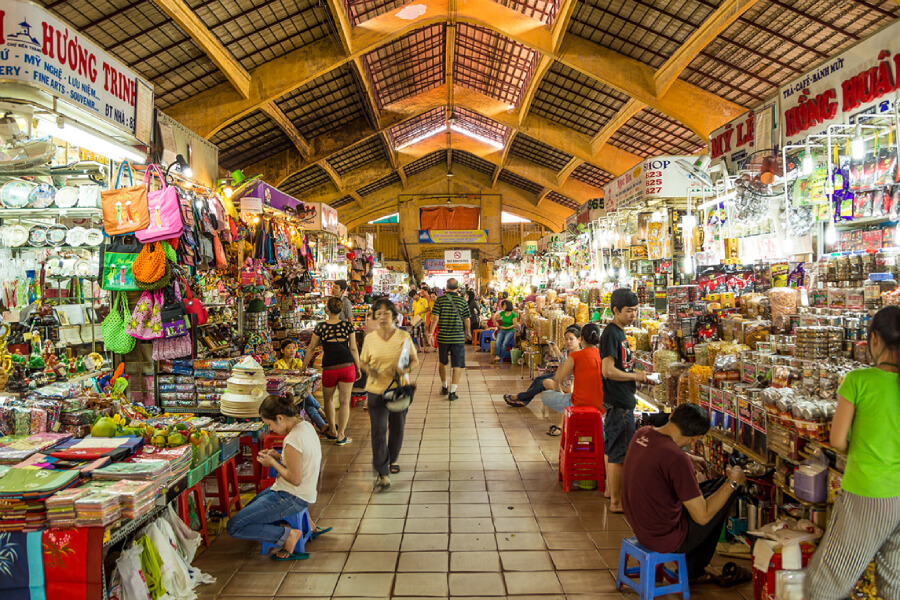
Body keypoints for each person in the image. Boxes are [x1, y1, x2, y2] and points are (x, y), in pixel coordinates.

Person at [805, 306, 900, 600]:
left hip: (869, 492)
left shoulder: (859, 381)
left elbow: (838, 440)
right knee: (894, 584)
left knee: (824, 583)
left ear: (873, 339)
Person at [623, 404, 746, 581]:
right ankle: (693, 572)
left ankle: (692, 569)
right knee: (721, 500)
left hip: (641, 525)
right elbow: (702, 517)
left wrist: (689, 457)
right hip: (665, 537)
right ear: (696, 438)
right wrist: (733, 483)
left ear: (673, 415)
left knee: (716, 486)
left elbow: (659, 453)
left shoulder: (643, 433)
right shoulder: (676, 459)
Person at [226, 394, 328, 560]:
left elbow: (295, 479)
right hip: (297, 492)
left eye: (270, 424)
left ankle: (288, 535)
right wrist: (278, 456)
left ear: (280, 418)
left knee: (234, 526)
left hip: (291, 496)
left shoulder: (292, 440)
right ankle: (298, 527)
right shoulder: (306, 426)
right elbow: (301, 462)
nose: (270, 429)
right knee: (251, 507)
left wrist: (272, 463)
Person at [360, 298, 419, 490]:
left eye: (386, 313)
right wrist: (370, 371)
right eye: (378, 314)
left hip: (398, 390)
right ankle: (382, 472)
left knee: (397, 428)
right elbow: (363, 362)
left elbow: (414, 360)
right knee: (378, 430)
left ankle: (392, 459)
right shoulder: (370, 339)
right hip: (376, 390)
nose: (382, 317)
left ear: (394, 316)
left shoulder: (403, 337)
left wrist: (403, 369)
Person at [600, 288, 649, 513]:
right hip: (619, 400)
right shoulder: (611, 334)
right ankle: (617, 502)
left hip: (620, 398)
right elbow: (608, 370)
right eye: (629, 311)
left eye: (635, 311)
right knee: (620, 451)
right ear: (616, 310)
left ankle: (611, 491)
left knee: (614, 448)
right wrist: (636, 376)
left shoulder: (619, 333)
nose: (633, 315)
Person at [300, 297, 361, 446]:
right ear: (341, 310)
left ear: (327, 310)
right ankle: (341, 435)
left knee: (328, 400)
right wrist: (358, 367)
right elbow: (353, 348)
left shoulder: (321, 327)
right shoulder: (347, 326)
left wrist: (303, 367)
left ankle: (332, 431)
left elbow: (311, 348)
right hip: (347, 366)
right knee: (345, 401)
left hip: (329, 368)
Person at [541, 323, 604, 436]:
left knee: (546, 395)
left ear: (581, 338)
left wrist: (558, 389)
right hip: (601, 405)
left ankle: (566, 423)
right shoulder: (603, 355)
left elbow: (559, 378)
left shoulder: (575, 356)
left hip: (579, 403)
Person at [504, 324, 581, 407]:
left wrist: (556, 384)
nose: (568, 342)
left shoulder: (580, 355)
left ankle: (519, 397)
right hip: (561, 379)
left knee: (541, 383)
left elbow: (573, 384)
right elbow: (560, 369)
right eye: (566, 339)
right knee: (538, 379)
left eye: (571, 339)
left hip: (569, 384)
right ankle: (524, 401)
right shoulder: (566, 352)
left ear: (579, 339)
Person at [429, 278, 471, 401]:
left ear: (446, 287)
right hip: (457, 337)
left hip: (443, 337)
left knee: (443, 361)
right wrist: (467, 332)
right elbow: (467, 319)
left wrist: (430, 334)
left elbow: (435, 318)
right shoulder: (462, 301)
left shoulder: (439, 300)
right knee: (457, 363)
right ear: (458, 288)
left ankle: (444, 386)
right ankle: (453, 392)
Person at [273, 341, 328, 434]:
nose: (292, 350)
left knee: (307, 402)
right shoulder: (278, 364)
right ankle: (322, 415)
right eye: (288, 348)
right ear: (282, 350)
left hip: (298, 391)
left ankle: (322, 425)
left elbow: (302, 376)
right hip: (287, 394)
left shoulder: (298, 361)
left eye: (294, 348)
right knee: (306, 396)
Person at [409, 289, 431, 354]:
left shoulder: (423, 300)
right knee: (416, 334)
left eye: (413, 297)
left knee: (423, 334)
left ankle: (425, 348)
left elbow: (427, 309)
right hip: (416, 320)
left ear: (416, 294)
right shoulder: (414, 302)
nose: (413, 298)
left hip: (422, 320)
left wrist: (421, 312)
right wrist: (409, 315)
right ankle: (419, 348)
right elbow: (413, 312)